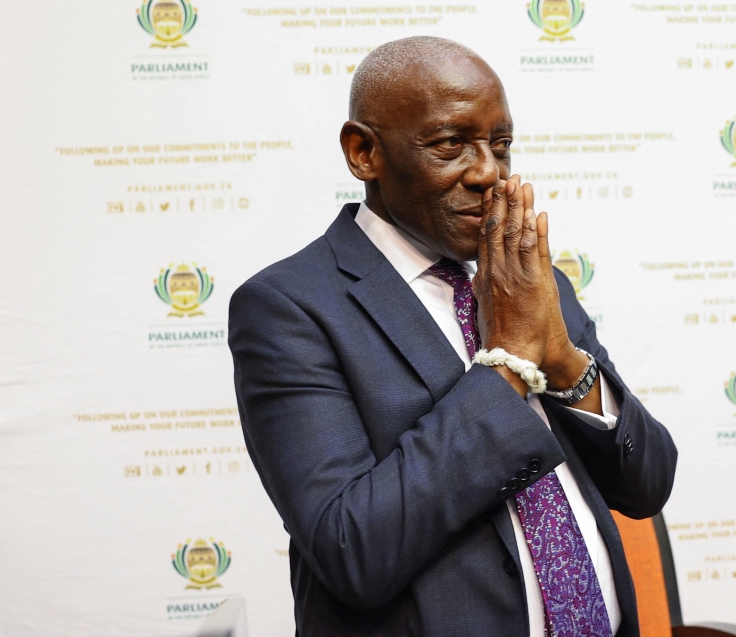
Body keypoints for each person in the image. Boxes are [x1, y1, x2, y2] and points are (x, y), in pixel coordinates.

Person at [228, 36, 677, 636]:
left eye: (501, 145)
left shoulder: (530, 283)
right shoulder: (289, 307)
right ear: (364, 152)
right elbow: (351, 549)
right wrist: (509, 363)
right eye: (451, 144)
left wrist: (566, 363)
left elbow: (646, 484)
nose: (488, 172)